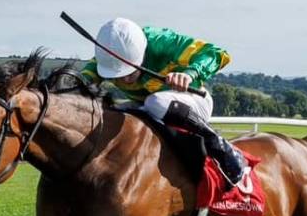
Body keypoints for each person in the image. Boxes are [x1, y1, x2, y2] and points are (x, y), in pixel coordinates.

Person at [80, 17, 247, 185]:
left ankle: (220, 147)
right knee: (112, 114)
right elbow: (84, 79)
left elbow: (216, 53)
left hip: (191, 102)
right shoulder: (107, 57)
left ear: (141, 54)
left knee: (156, 101)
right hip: (145, 107)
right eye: (117, 76)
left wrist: (189, 74)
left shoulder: (161, 42)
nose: (125, 80)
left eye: (129, 72)